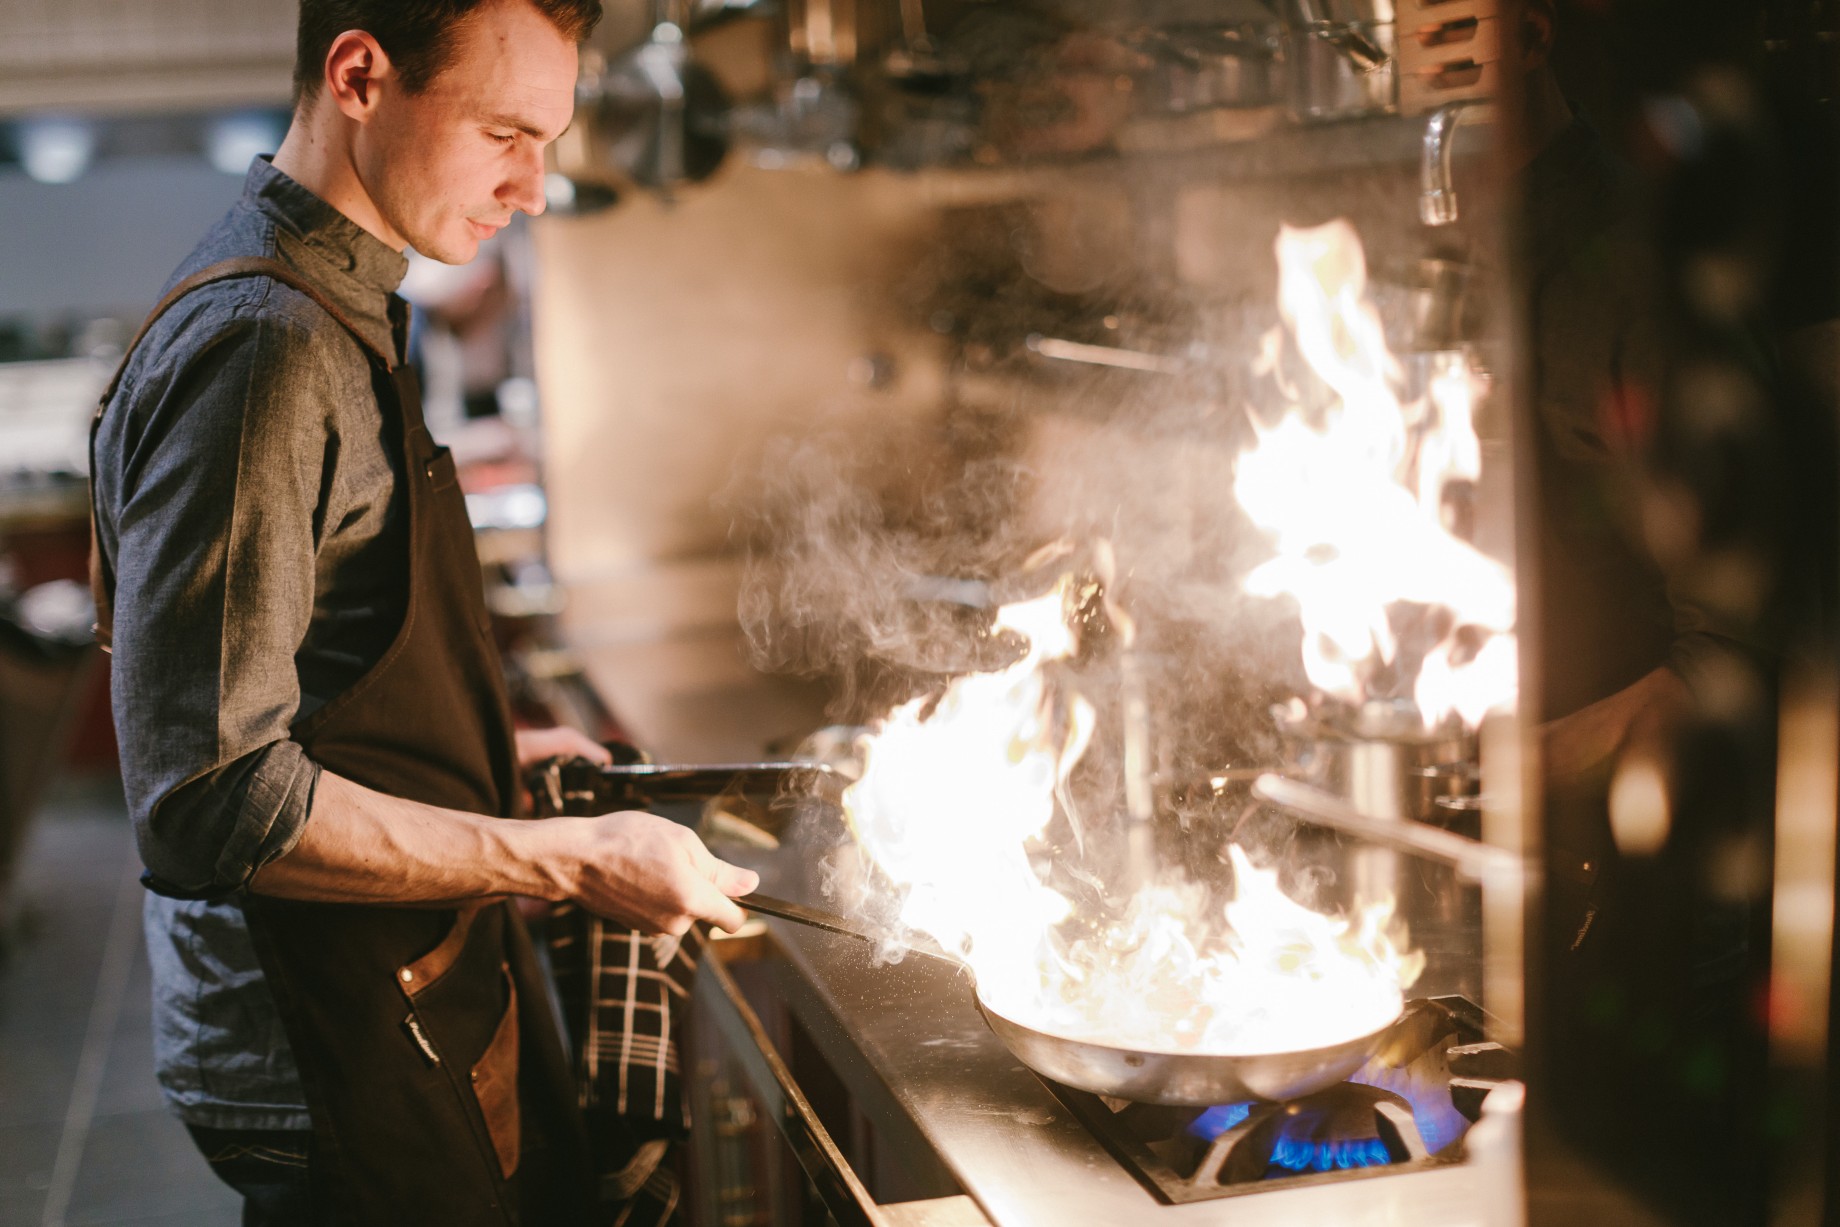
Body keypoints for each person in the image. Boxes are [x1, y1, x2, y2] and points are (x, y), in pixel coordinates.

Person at [86, 1, 759, 1221]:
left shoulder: (342, 299)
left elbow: (319, 677)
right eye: (505, 132)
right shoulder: (265, 346)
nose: (535, 188)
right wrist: (560, 859)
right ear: (358, 75)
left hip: (386, 984)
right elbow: (208, 797)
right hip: (322, 1029)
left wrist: (487, 757)